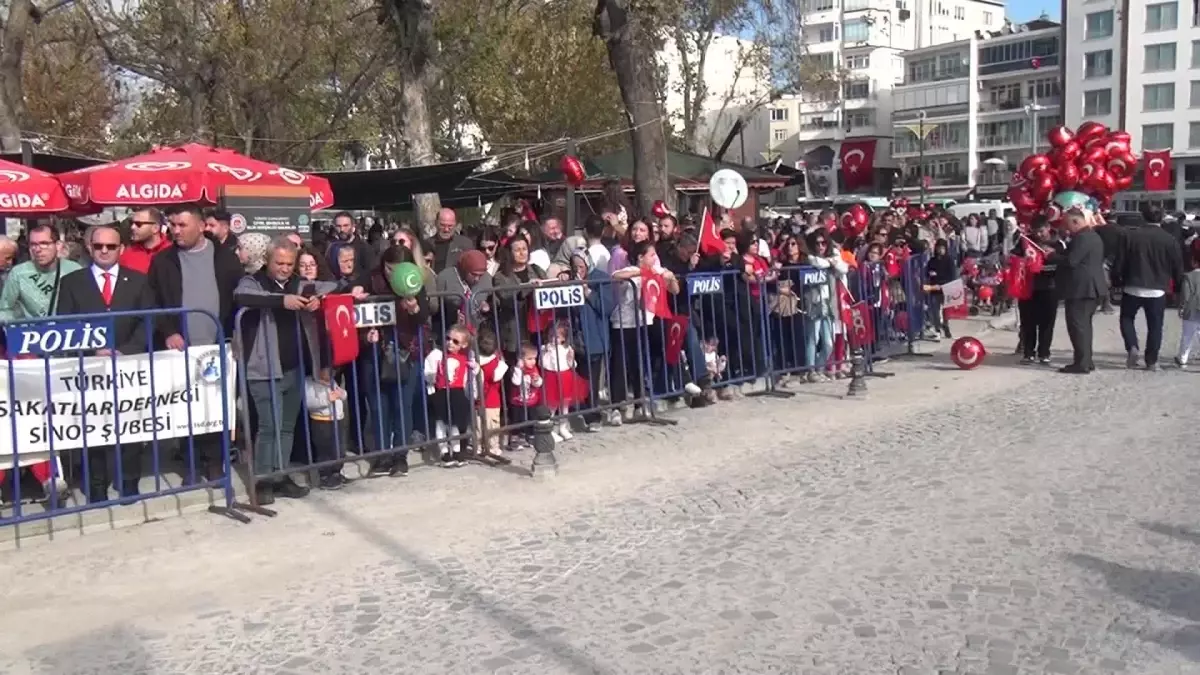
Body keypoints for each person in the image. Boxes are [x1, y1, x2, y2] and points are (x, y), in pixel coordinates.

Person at [234, 236, 340, 504]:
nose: (283, 268)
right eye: (279, 263)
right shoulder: (253, 281)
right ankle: (262, 481)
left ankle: (281, 475)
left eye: (289, 264)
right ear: (268, 261)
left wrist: (317, 298)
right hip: (263, 366)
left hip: (293, 366)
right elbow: (242, 296)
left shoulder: (298, 283)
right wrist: (282, 301)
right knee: (268, 427)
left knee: (286, 427)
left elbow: (331, 283)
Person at [55, 224, 156, 502]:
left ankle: (129, 483)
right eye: (98, 245)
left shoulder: (138, 281)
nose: (104, 251)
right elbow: (65, 325)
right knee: (94, 429)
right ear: (89, 247)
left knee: (131, 426)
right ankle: (97, 486)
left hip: (128, 367)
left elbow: (148, 320)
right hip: (89, 368)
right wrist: (93, 350)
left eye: (110, 246)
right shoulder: (72, 282)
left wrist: (127, 350)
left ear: (120, 249)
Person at [148, 204, 244, 480]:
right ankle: (190, 463)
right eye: (173, 225)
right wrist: (168, 331)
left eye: (182, 225)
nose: (175, 231)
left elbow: (239, 295)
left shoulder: (225, 258)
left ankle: (215, 463)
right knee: (185, 407)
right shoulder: (163, 261)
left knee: (216, 406)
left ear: (202, 226)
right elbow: (153, 301)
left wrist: (235, 333)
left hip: (219, 344)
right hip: (180, 347)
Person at [1112, 204, 1185, 371]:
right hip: (1157, 288)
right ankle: (1151, 361)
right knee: (1155, 325)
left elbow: (1119, 261)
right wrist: (1179, 289)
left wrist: (1117, 281)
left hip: (1132, 285)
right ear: (1162, 217)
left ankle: (1132, 346)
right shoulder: (1169, 239)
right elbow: (1177, 266)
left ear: (1142, 217)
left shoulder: (1129, 236)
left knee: (1127, 318)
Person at [1053, 208, 1107, 375]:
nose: (1067, 228)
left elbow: (1072, 261)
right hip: (1091, 287)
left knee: (1078, 327)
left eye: (1068, 224)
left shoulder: (1083, 238)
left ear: (1076, 222)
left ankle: (1081, 363)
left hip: (1082, 289)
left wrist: (1052, 256)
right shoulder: (1092, 236)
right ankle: (1086, 360)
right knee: (1085, 327)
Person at [0, 224, 80, 324]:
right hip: (31, 335)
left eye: (44, 243)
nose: (37, 250)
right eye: (33, 244)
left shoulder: (74, 270)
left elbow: (84, 307)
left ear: (58, 245)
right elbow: (5, 309)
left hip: (67, 333)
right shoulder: (18, 273)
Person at [423, 323, 475, 467]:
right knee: (441, 422)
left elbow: (470, 375)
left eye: (455, 341)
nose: (450, 342)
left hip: (456, 392)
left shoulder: (464, 359)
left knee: (455, 423)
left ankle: (457, 450)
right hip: (441, 392)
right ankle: (444, 452)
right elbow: (429, 374)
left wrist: (474, 368)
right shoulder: (437, 355)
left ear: (463, 345)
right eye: (448, 339)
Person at [1015, 219, 1066, 365]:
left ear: (1048, 228)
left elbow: (1064, 263)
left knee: (1047, 323)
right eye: (1035, 231)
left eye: (1041, 231)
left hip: (1049, 287)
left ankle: (1044, 353)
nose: (1038, 234)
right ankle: (1028, 353)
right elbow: (1014, 258)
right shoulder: (1025, 241)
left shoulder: (1058, 243)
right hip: (1028, 287)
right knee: (1027, 322)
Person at [119, 208, 173, 274]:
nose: (132, 227)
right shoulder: (128, 253)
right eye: (131, 223)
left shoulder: (172, 252)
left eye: (138, 224)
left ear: (155, 228)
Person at [327, 211, 376, 278]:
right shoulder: (331, 247)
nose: (342, 229)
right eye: (338, 226)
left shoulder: (364, 248)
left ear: (353, 226)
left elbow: (371, 273)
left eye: (346, 225)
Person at [428, 208, 474, 273]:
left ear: (455, 225)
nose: (446, 229)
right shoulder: (427, 244)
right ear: (436, 223)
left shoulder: (465, 244)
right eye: (442, 225)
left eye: (450, 226)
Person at [1175, 247, 1200, 369]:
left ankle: (1183, 358)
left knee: (1188, 334)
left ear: (1194, 262)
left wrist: (1181, 307)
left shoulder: (1188, 276)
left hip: (1192, 308)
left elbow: (1185, 294)